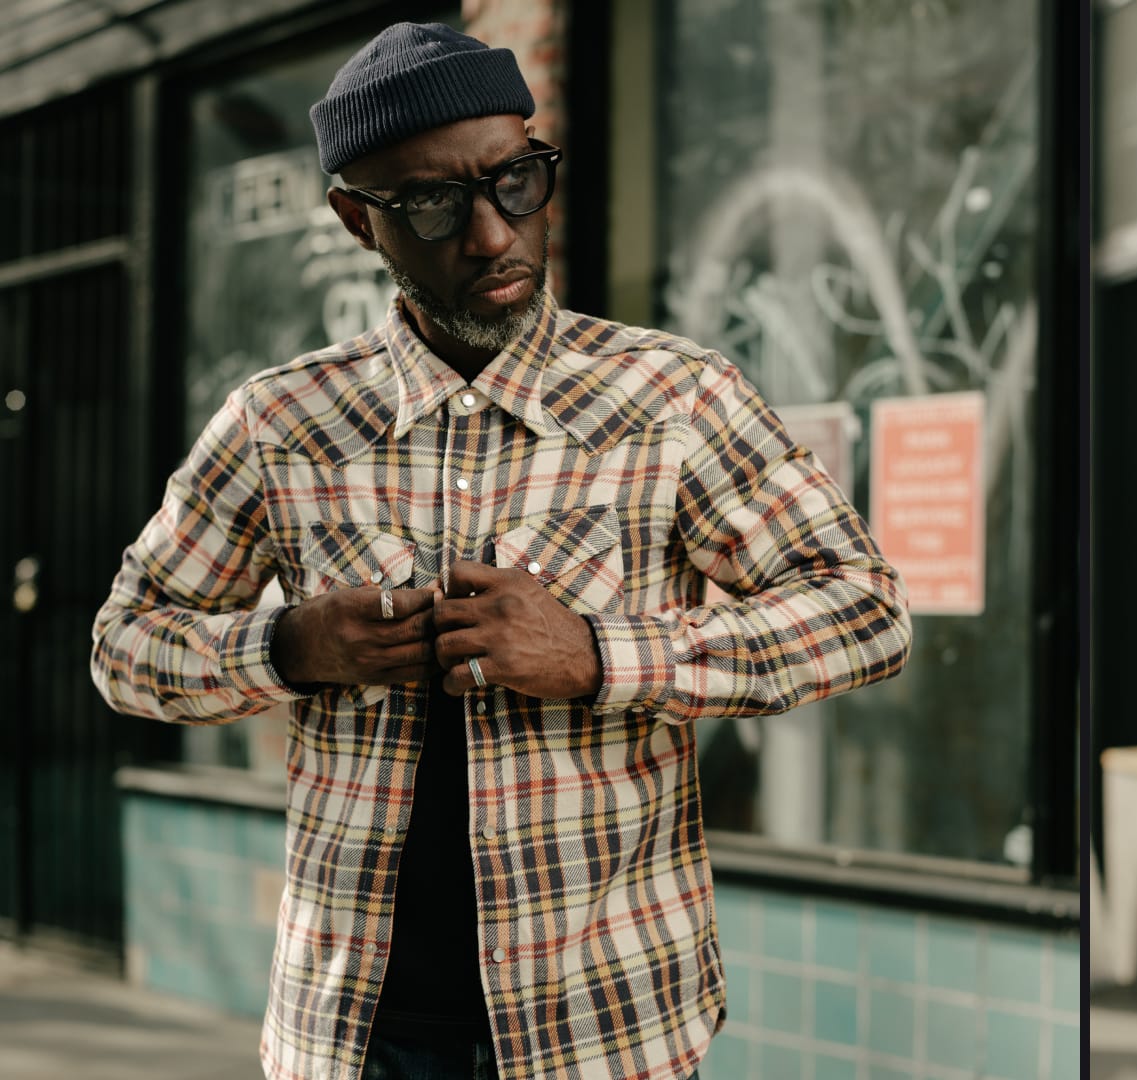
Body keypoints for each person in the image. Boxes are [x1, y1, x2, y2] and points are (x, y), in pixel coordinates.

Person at [90, 22, 912, 1080]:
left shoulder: (674, 398)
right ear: (356, 219)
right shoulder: (279, 423)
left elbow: (865, 612)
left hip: (607, 1024)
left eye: (515, 182)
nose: (490, 235)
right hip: (356, 1035)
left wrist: (605, 658)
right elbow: (124, 648)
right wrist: (290, 647)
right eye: (432, 201)